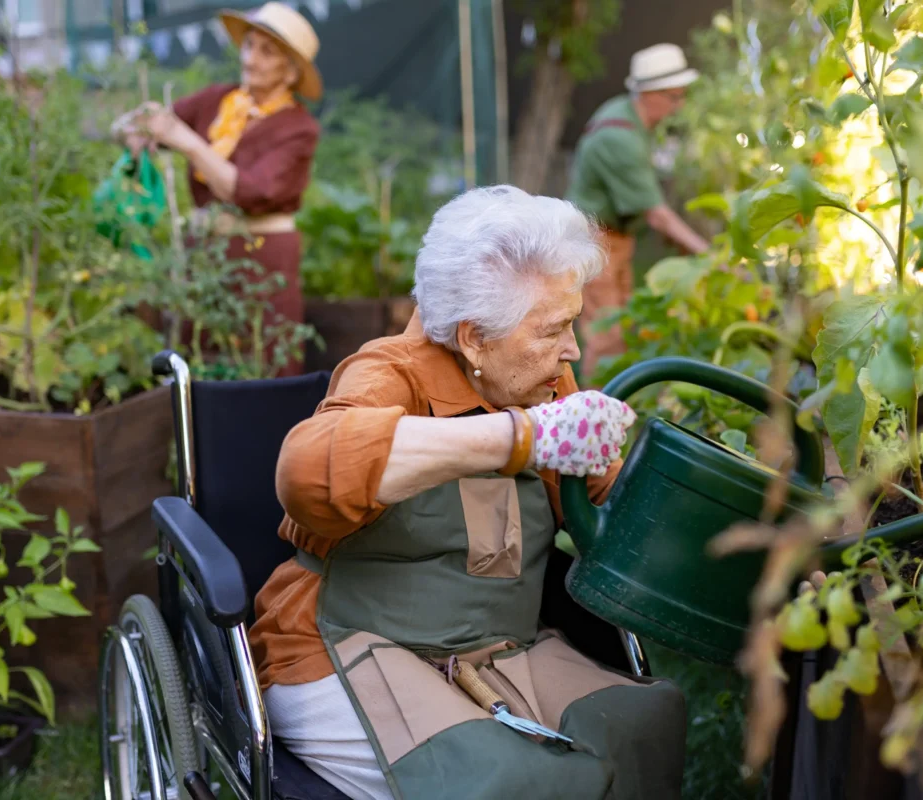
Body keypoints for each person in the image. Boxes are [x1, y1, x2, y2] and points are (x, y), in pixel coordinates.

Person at [250, 185, 687, 800]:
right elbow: (308, 470)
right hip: (349, 645)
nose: (573, 350)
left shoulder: (543, 378)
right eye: (555, 329)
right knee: (512, 783)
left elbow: (614, 510)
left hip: (499, 648)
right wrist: (519, 439)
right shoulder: (388, 375)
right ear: (475, 337)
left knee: (644, 725)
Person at [117, 2, 321, 376]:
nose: (251, 58)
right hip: (204, 252)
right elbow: (147, 124)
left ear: (291, 71)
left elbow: (249, 191)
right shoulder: (217, 100)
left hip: (264, 258)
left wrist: (186, 141)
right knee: (198, 356)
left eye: (267, 52)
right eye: (250, 45)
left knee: (266, 358)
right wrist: (134, 131)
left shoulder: (298, 127)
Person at [567, 43, 710, 384]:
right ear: (649, 93)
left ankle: (617, 398)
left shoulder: (626, 115)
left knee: (623, 323)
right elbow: (657, 215)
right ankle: (598, 407)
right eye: (674, 97)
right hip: (594, 239)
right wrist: (707, 252)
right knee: (607, 335)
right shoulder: (621, 138)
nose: (679, 105)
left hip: (613, 237)